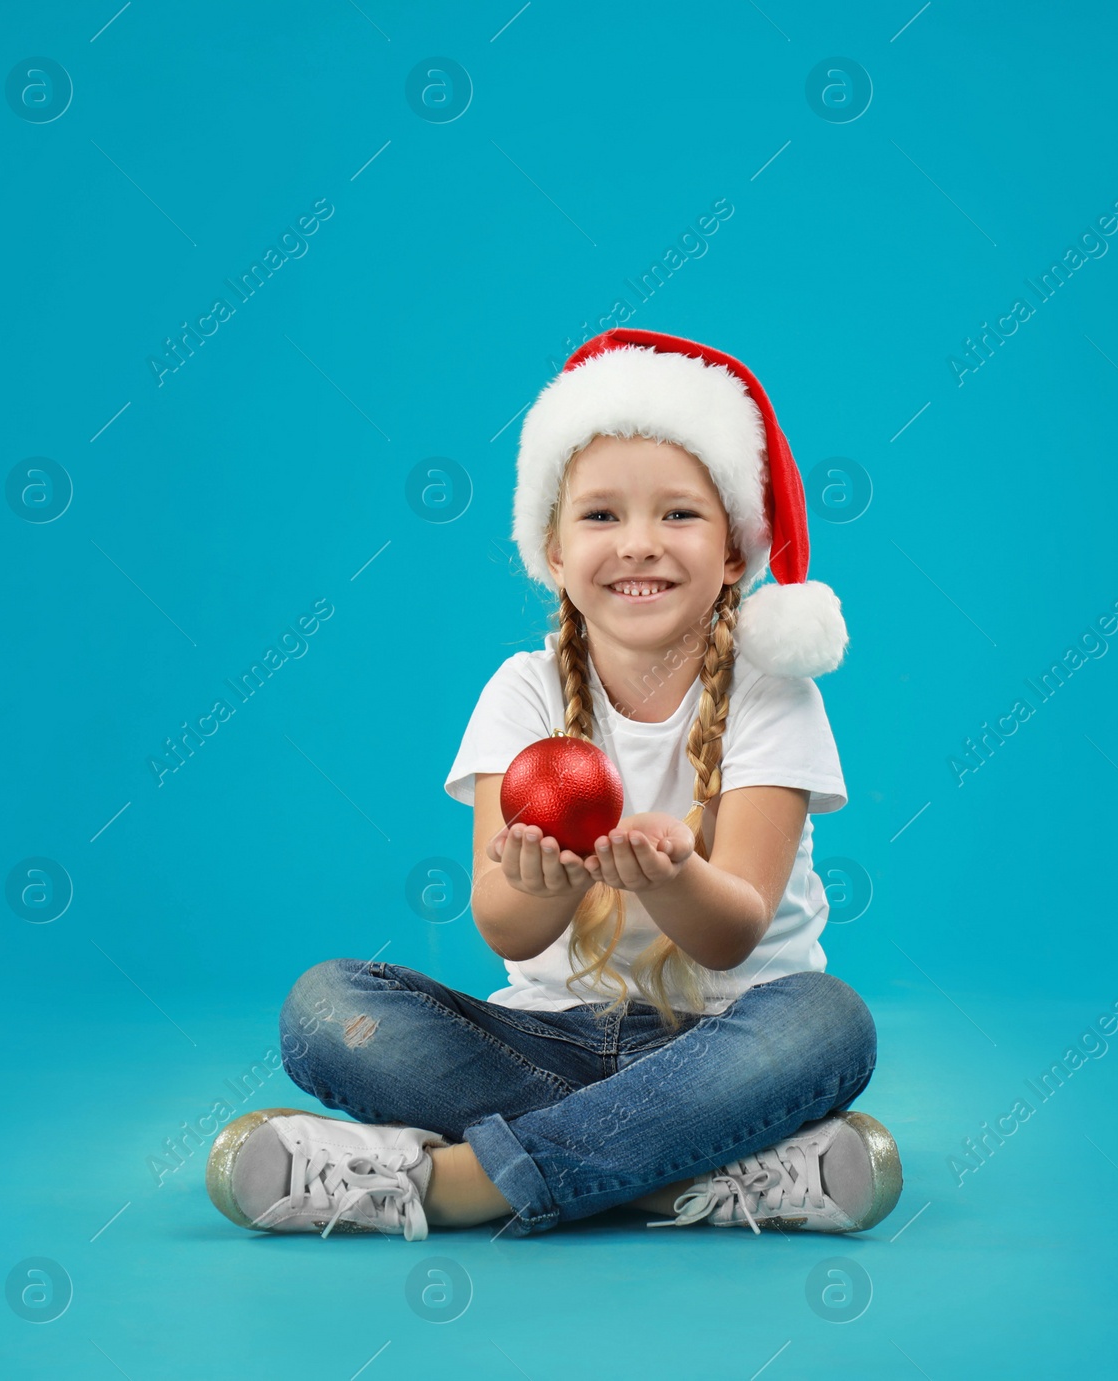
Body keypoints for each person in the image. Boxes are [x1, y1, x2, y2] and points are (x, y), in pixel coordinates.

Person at [205, 329, 901, 1241]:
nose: (639, 545)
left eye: (680, 515)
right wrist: (553, 883)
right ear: (553, 549)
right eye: (602, 516)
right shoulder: (520, 691)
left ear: (735, 552)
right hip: (541, 1046)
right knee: (326, 1007)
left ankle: (449, 1183)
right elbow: (502, 922)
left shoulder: (774, 695)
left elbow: (733, 935)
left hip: (722, 1040)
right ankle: (690, 1171)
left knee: (828, 1022)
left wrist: (673, 878)